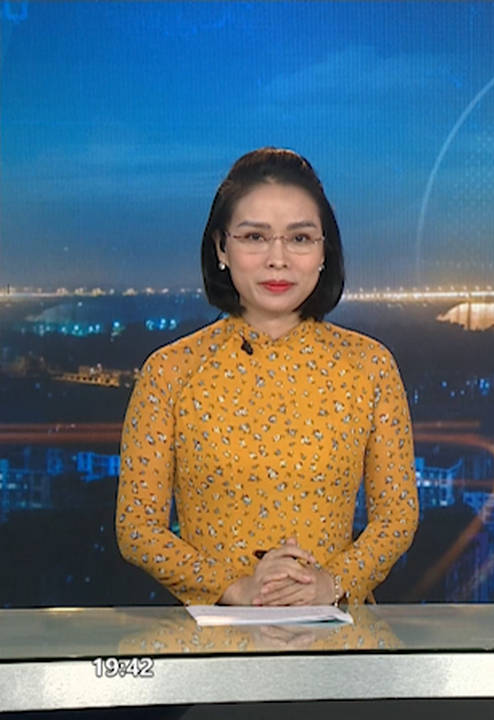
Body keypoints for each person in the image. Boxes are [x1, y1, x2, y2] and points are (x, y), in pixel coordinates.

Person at [117, 148, 418, 606]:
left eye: (300, 238)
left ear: (325, 251)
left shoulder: (369, 367)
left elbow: (397, 516)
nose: (278, 259)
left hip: (338, 630)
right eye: (255, 237)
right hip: (214, 633)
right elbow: (137, 527)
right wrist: (234, 588)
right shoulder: (171, 372)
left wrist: (330, 584)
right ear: (221, 247)